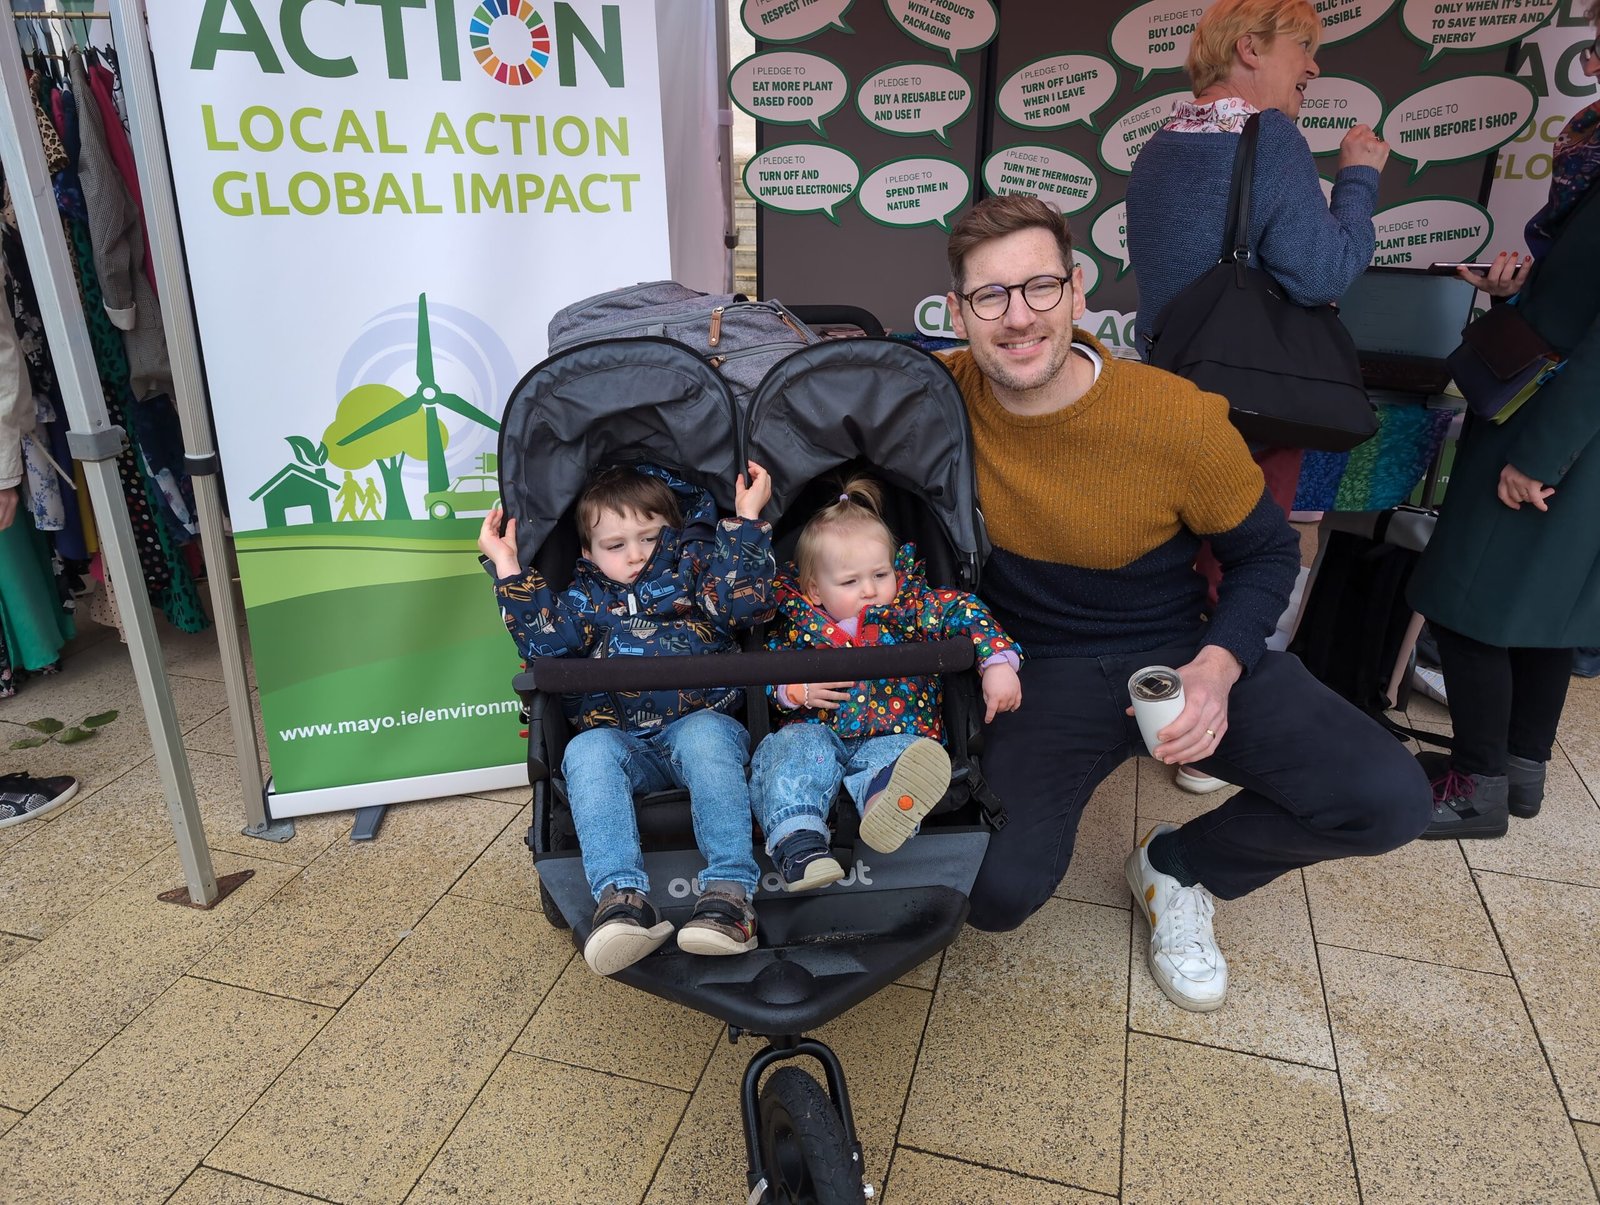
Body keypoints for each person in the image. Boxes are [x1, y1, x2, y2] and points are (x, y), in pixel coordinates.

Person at [941, 194, 1431, 1012]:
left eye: (1038, 288)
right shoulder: (933, 400)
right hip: (1030, 669)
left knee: (1388, 798)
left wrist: (1219, 662)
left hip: (1174, 647)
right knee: (993, 895)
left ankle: (1177, 866)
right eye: (990, 296)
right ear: (958, 311)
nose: (1017, 317)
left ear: (1077, 289)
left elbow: (1266, 552)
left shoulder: (1174, 416)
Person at [1125, 0, 1390, 796]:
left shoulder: (1164, 140)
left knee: (1177, 554)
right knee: (1242, 558)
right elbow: (1324, 271)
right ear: (1250, 47)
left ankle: (1157, 704)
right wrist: (1359, 181)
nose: (1313, 68)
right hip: (1252, 399)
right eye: (1304, 50)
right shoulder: (1268, 136)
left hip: (1170, 385)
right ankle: (1207, 739)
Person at [1405, 11, 1600, 839]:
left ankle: (1474, 785)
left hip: (1556, 428)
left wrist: (1538, 455)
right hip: (1566, 425)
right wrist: (1520, 286)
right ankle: (1518, 773)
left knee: (1466, 598)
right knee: (1544, 609)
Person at [477, 461, 777, 975]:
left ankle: (730, 896)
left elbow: (742, 609)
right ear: (589, 553)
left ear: (675, 533)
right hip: (623, 744)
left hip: (704, 728)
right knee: (585, 749)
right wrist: (507, 564)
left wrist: (745, 519)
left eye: (650, 538)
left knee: (703, 734)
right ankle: (622, 900)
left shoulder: (697, 573)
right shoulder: (581, 598)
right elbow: (549, 644)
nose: (636, 555)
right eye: (616, 545)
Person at [750, 476, 1022, 889]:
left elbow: (964, 610)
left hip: (895, 732)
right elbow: (761, 671)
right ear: (814, 590)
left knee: (907, 762)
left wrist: (997, 662)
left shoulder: (909, 609)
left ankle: (888, 807)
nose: (870, 590)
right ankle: (799, 842)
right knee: (789, 754)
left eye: (880, 574)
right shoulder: (797, 626)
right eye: (850, 582)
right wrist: (792, 692)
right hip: (817, 730)